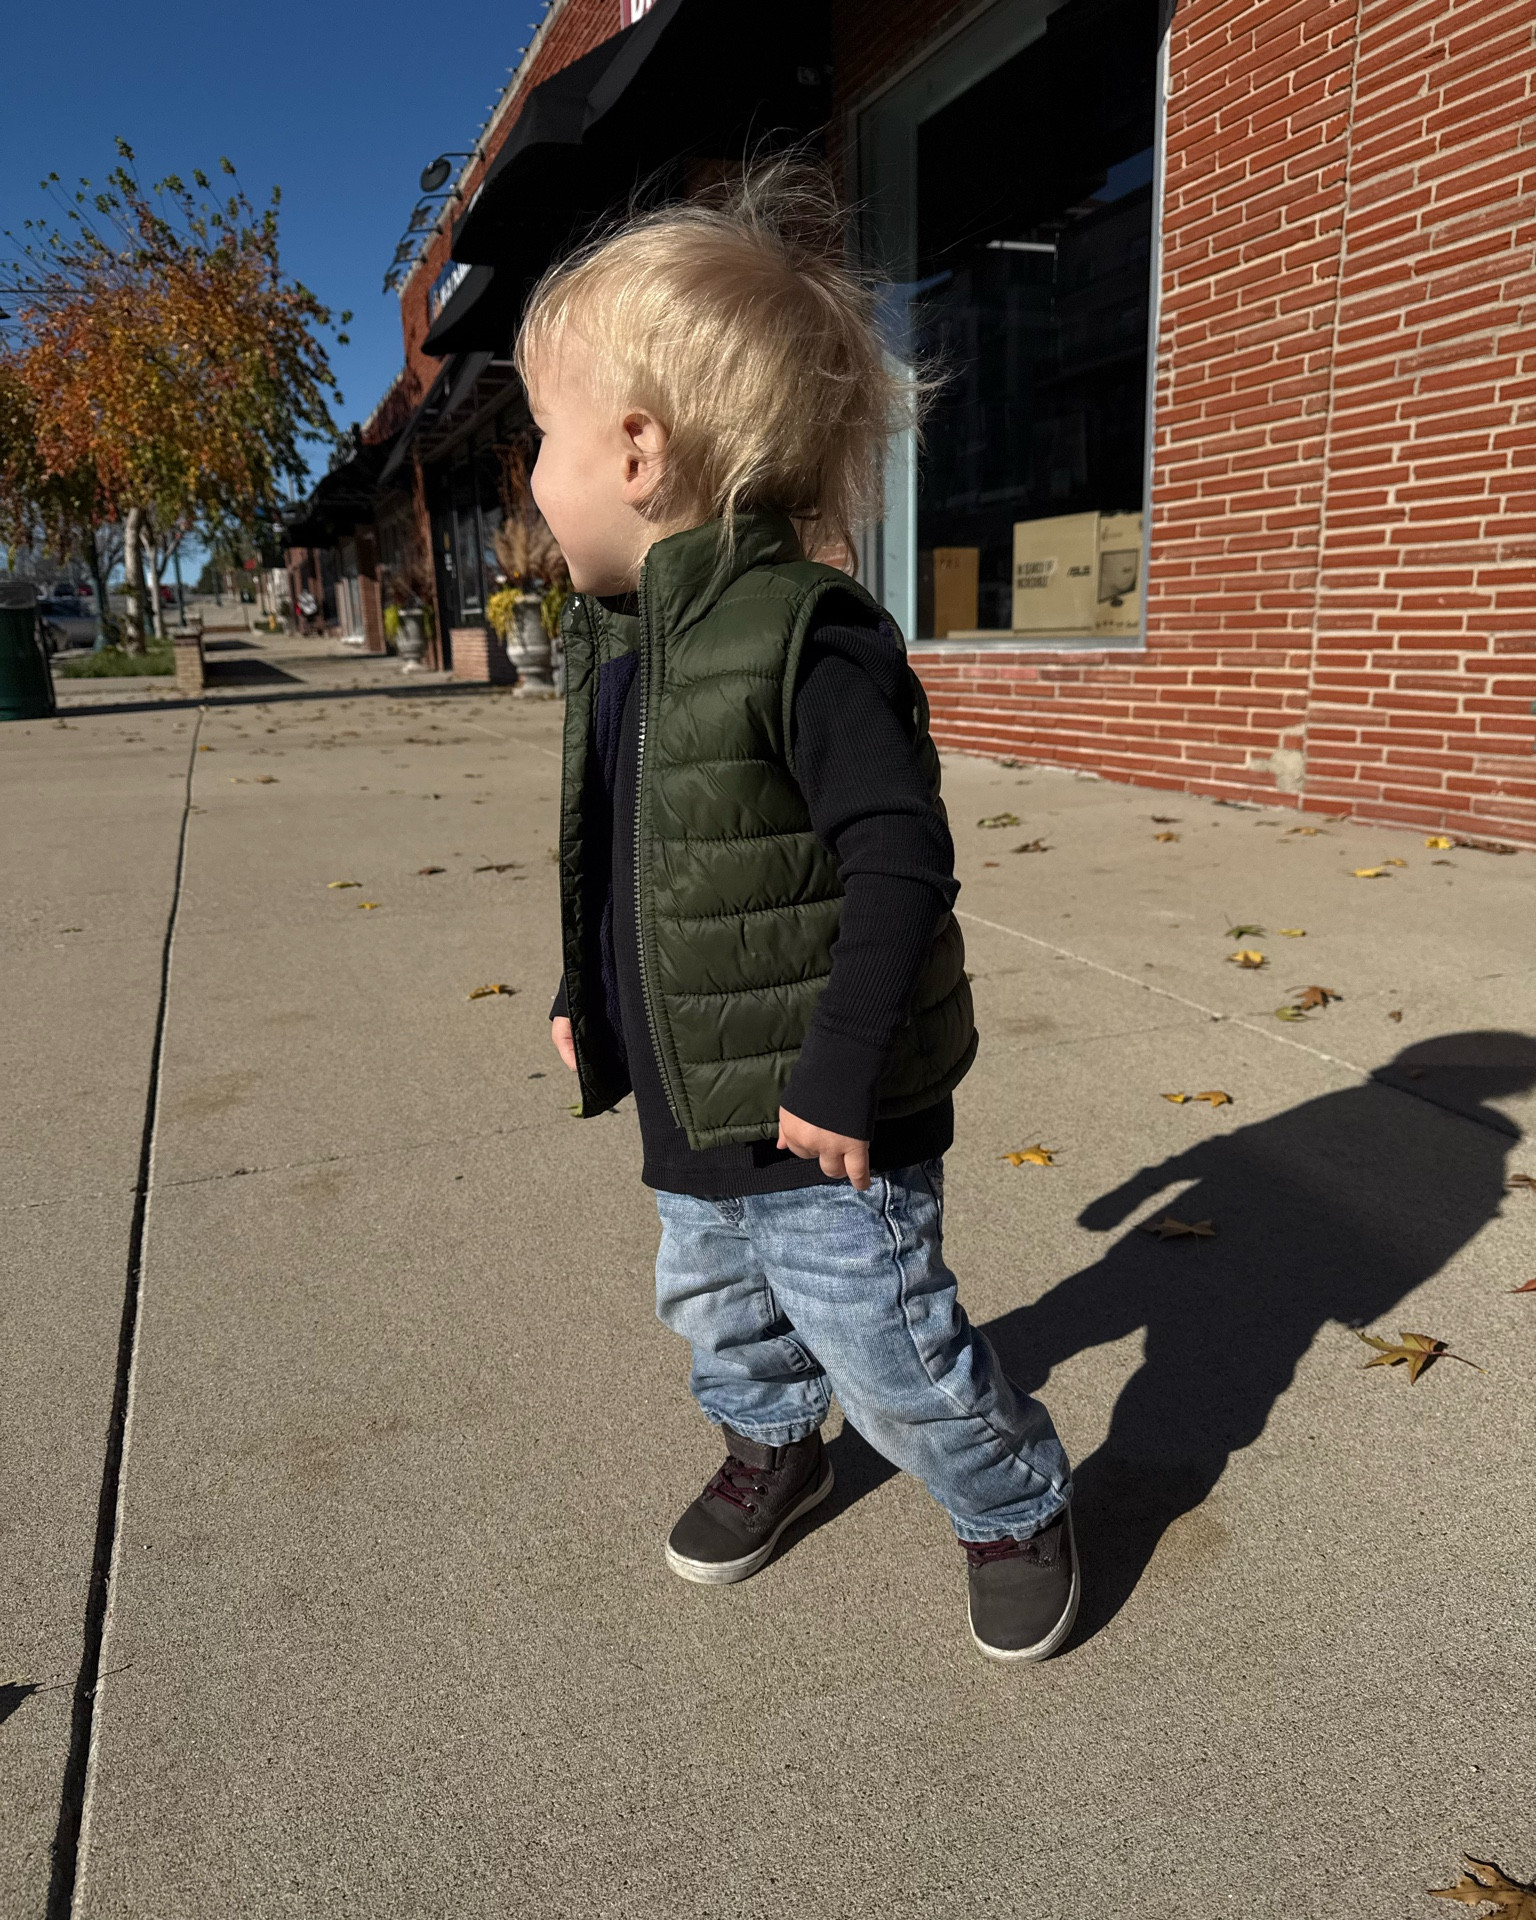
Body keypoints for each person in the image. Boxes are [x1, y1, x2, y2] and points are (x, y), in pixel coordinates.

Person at [524, 160, 1075, 1662]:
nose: (532, 473)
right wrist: (587, 988)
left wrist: (838, 1069)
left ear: (635, 452)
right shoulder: (624, 649)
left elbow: (900, 863)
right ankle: (776, 1444)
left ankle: (1013, 1494)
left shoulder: (806, 642)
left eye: (540, 439)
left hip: (829, 1114)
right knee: (719, 1313)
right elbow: (625, 851)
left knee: (888, 1343)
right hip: (694, 1099)